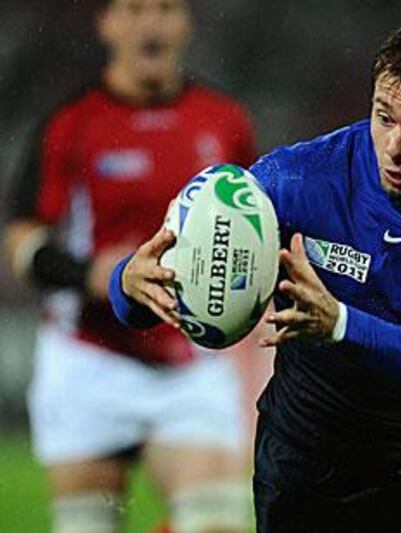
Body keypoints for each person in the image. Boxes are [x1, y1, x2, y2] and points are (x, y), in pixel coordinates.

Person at [108, 12, 401, 533]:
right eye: (384, 117)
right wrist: (128, 286)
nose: (394, 148)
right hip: (311, 454)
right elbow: (158, 289)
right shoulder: (300, 176)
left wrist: (341, 323)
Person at [3, 1, 257, 531]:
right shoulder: (71, 122)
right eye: (135, 8)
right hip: (90, 358)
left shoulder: (223, 121)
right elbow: (22, 241)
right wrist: (90, 275)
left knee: (216, 523)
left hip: (189, 362)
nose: (151, 23)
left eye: (165, 8)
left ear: (185, 23)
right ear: (107, 23)